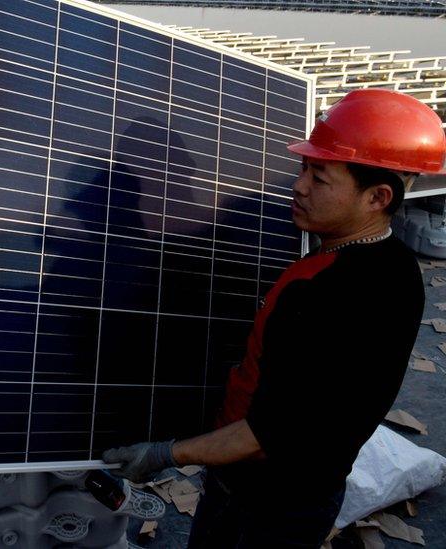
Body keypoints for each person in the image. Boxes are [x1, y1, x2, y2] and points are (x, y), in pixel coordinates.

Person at [103, 89, 444, 547]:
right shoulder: (368, 256)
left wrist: (166, 454)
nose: (298, 185)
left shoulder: (354, 293)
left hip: (272, 504)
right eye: (303, 168)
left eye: (319, 177)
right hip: (249, 484)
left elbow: (273, 434)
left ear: (377, 197)